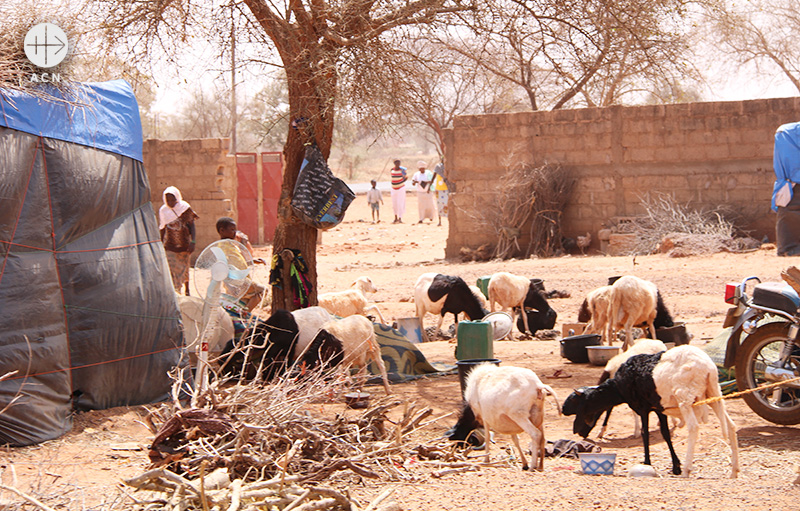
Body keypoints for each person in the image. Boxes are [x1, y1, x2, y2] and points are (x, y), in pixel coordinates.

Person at [216, 216, 267, 312]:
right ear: (222, 230)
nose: (235, 232)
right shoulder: (223, 246)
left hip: (239, 280)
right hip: (238, 280)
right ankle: (245, 313)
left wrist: (253, 261)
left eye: (235, 229)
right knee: (262, 290)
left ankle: (241, 315)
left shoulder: (231, 245)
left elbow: (238, 261)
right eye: (232, 230)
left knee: (243, 300)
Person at [159, 186, 198, 295]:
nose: (170, 202)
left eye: (173, 199)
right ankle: (176, 291)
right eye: (168, 200)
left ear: (177, 197)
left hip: (184, 245)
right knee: (172, 269)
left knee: (184, 269)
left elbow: (192, 226)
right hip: (169, 245)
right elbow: (162, 228)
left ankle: (187, 289)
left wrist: (193, 242)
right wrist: (160, 244)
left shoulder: (185, 208)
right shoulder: (163, 210)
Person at [773, 121, 800, 256]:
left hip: (791, 180)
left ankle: (788, 248)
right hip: (793, 180)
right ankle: (788, 248)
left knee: (789, 212)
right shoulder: (787, 132)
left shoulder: (785, 132)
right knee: (790, 212)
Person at [390, 159, 407, 223]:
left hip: (400, 188)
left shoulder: (402, 170)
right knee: (394, 203)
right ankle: (395, 217)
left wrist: (400, 182)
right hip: (393, 188)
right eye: (396, 163)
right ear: (394, 163)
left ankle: (400, 218)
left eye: (399, 163)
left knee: (400, 203)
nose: (398, 164)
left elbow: (406, 177)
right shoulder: (392, 170)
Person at [432, 162, 449, 227]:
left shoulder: (448, 167)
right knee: (439, 204)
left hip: (446, 188)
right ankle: (440, 221)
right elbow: (433, 177)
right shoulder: (438, 167)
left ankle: (448, 219)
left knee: (446, 204)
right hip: (438, 189)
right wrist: (429, 186)